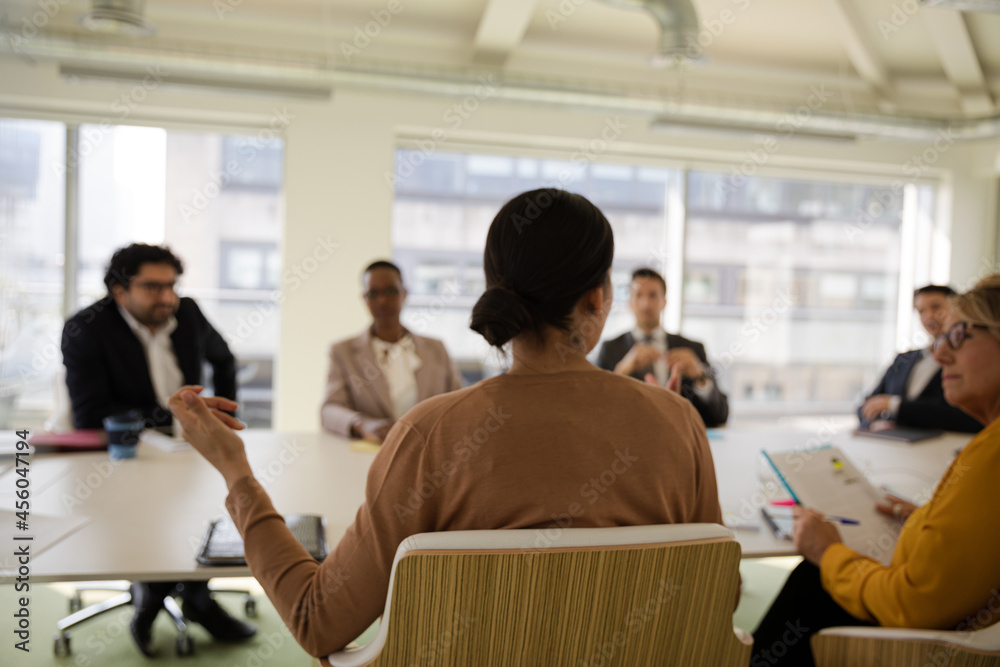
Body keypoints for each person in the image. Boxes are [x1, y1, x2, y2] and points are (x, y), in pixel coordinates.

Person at [170, 188, 725, 658]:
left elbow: (318, 622)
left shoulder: (431, 433)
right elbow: (718, 596)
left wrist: (235, 471)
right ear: (600, 298)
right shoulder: (678, 423)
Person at [753, 274, 1000, 667]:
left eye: (959, 336)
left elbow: (912, 604)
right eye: (940, 338)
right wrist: (923, 518)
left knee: (812, 578)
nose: (940, 355)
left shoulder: (990, 459)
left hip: (926, 645)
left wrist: (829, 551)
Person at [60, 243, 255, 656]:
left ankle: (186, 596)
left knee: (206, 511)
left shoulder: (188, 313)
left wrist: (224, 416)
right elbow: (91, 415)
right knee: (150, 515)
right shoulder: (86, 329)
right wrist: (169, 414)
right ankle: (161, 599)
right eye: (152, 287)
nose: (167, 297)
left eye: (171, 286)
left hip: (184, 449)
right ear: (118, 290)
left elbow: (225, 359)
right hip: (120, 454)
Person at [320, 260, 463, 442]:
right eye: (373, 294)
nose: (382, 301)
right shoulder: (343, 352)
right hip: (370, 458)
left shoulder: (436, 349)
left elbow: (458, 404)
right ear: (364, 299)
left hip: (429, 454)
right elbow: (329, 410)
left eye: (390, 291)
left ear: (404, 294)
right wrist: (363, 424)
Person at [596, 267, 729, 427]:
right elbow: (595, 411)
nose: (646, 304)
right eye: (638, 295)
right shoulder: (610, 350)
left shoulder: (693, 349)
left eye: (653, 295)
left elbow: (720, 414)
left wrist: (698, 376)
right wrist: (621, 372)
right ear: (629, 303)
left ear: (664, 301)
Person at [858, 284, 983, 433]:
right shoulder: (903, 359)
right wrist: (874, 423)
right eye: (921, 311)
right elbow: (867, 405)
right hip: (890, 445)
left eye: (936, 308)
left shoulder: (968, 360)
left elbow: (965, 416)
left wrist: (895, 405)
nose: (928, 316)